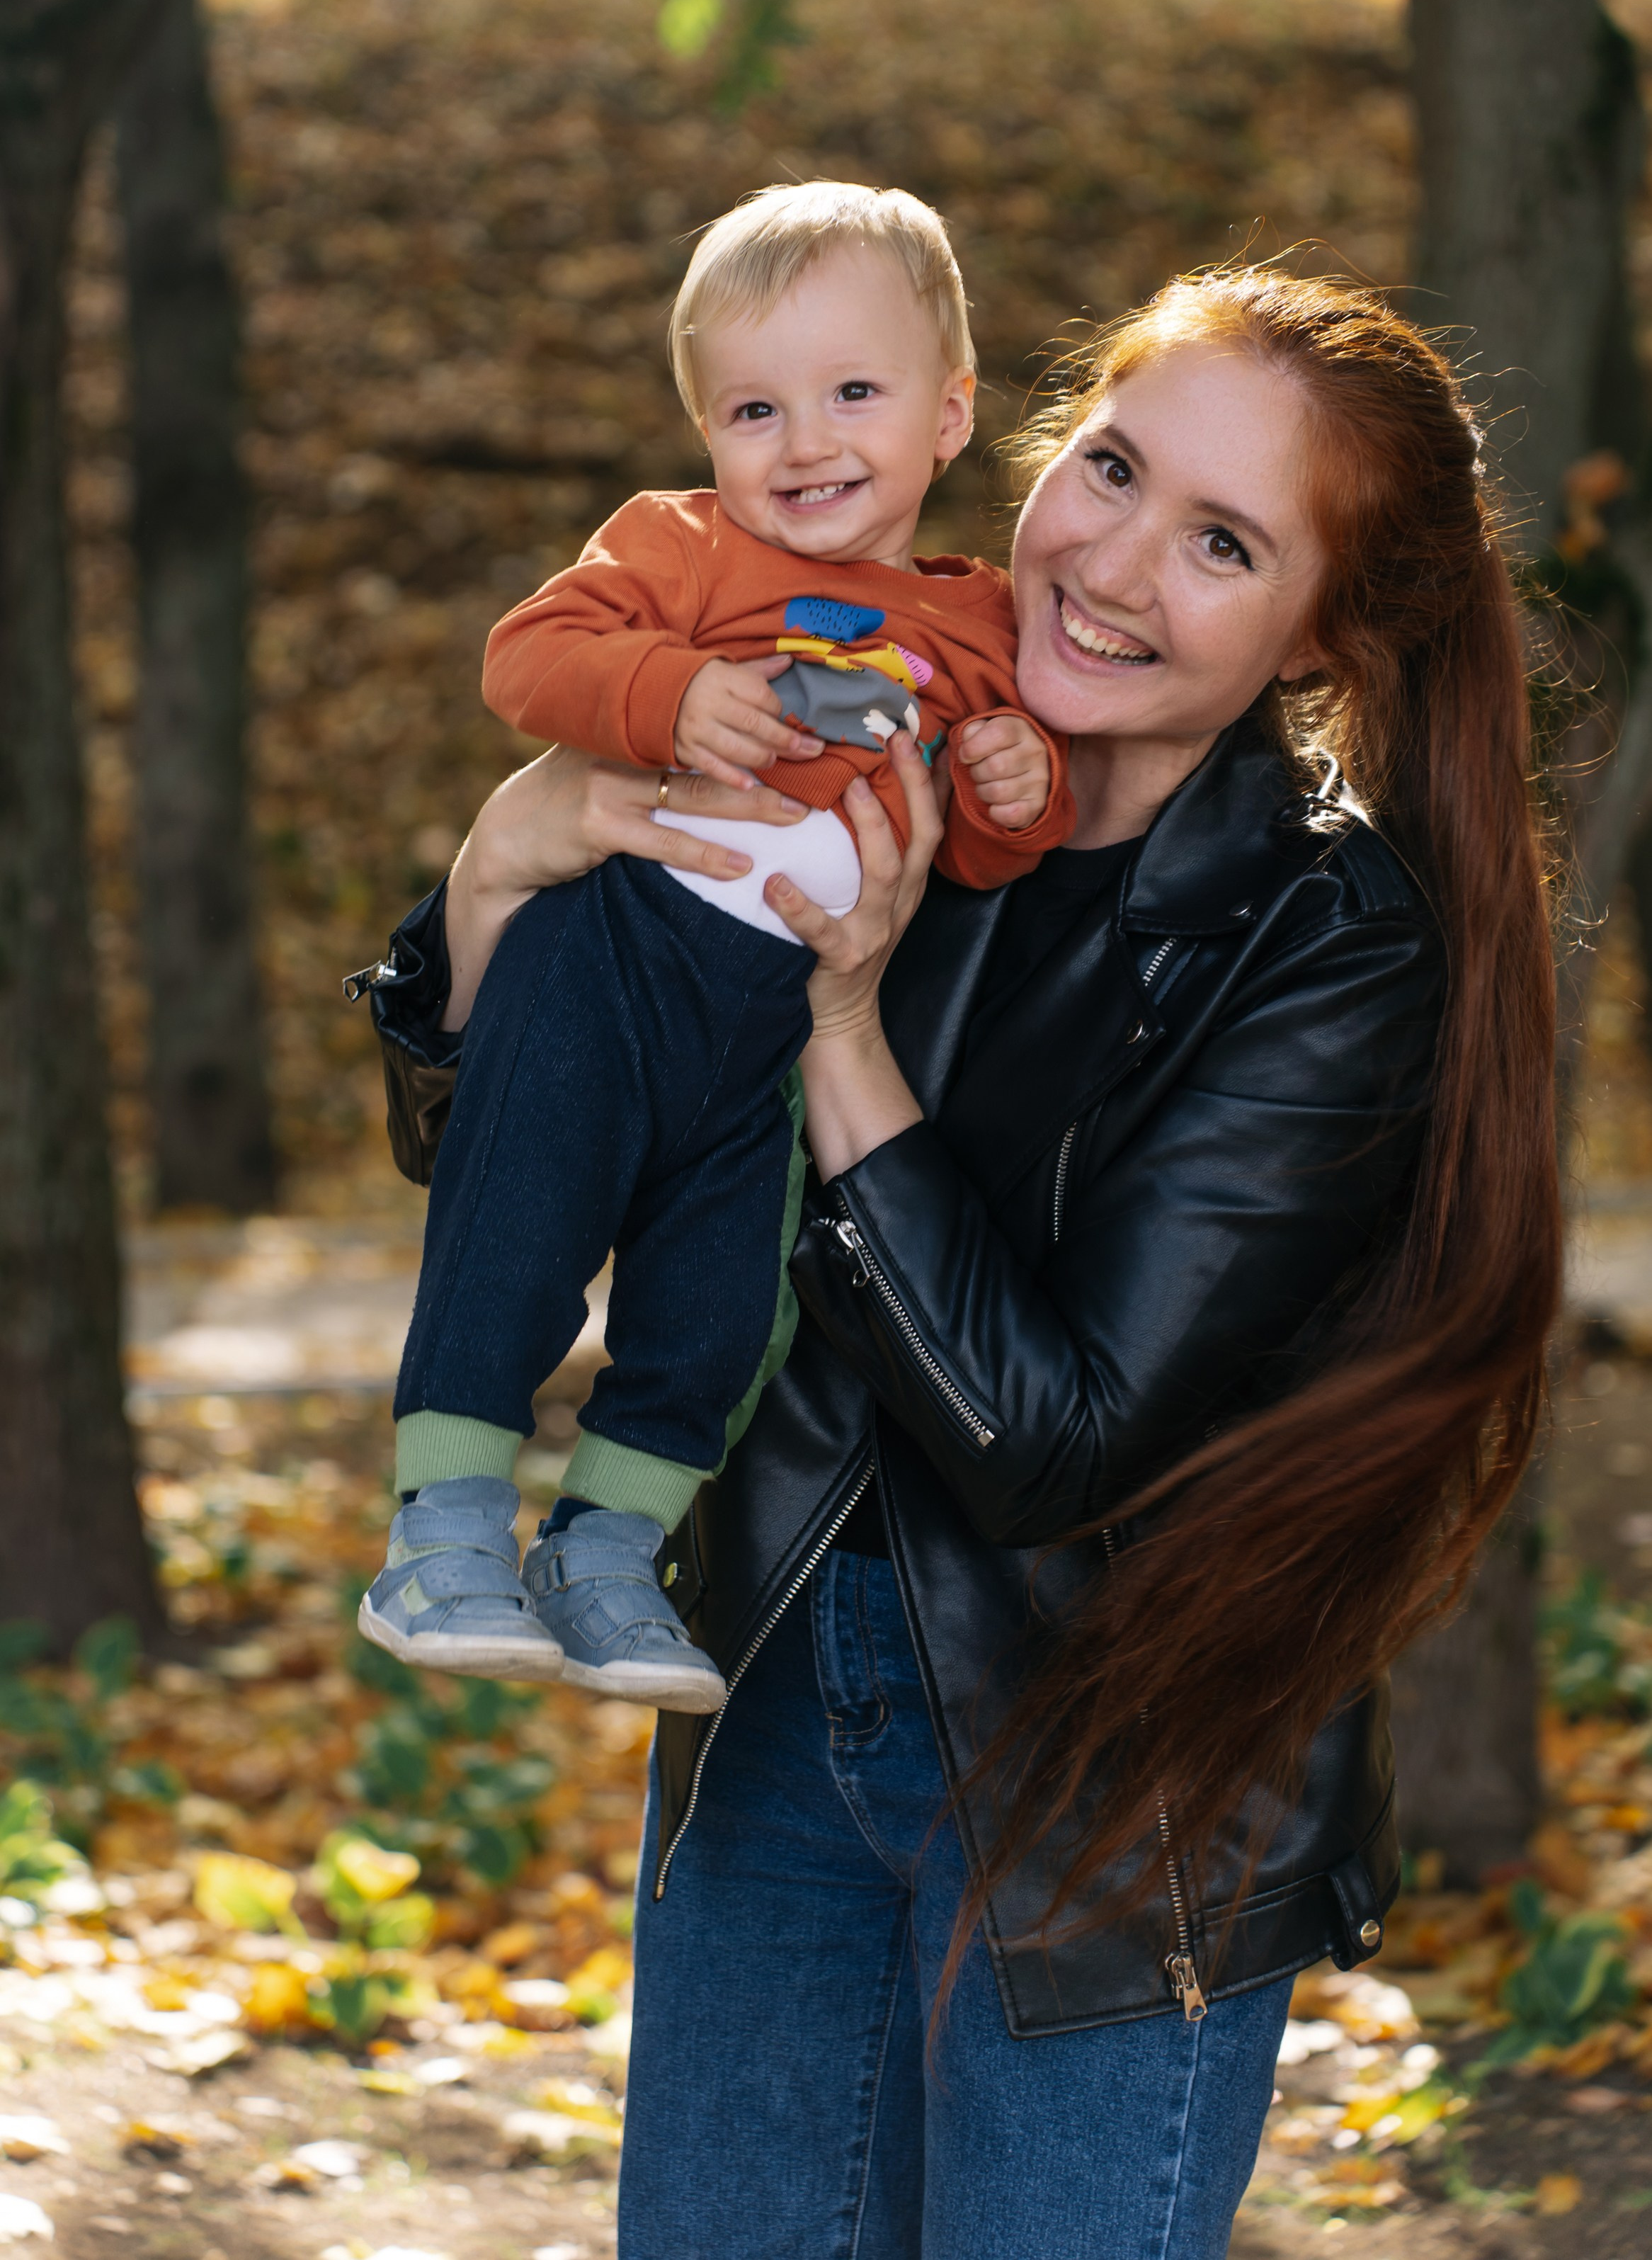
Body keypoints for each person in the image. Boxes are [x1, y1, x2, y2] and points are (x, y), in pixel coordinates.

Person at [362, 266, 1561, 2259]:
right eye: (1109, 466)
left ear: (1319, 631)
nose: (1105, 561)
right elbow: (530, 1158)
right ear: (1013, 433)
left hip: (1105, 1778)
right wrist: (498, 873)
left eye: (1220, 541)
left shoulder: (1330, 942)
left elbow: (1046, 1434)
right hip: (760, 1705)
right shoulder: (876, 717)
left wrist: (842, 1030)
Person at [360, 182, 1071, 1711]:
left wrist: (1018, 784)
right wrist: (668, 696)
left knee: (717, 1310)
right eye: (755, 407)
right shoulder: (680, 553)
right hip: (608, 961)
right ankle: (445, 1529)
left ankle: (609, 1550)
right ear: (704, 433)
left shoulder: (980, 630)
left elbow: (990, 842)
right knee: (516, 1230)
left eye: (854, 393)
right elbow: (527, 656)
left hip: (767, 1034)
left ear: (950, 417)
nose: (805, 441)